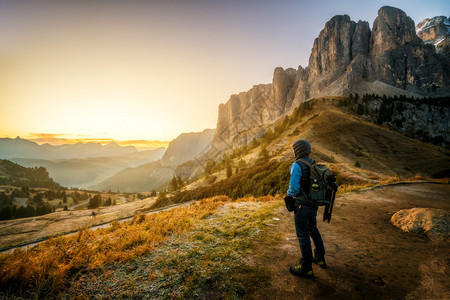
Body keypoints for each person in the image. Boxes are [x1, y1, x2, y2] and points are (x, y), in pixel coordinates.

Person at [286, 140, 327, 279]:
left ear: (297, 151)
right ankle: (320, 258)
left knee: (303, 235)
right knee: (313, 230)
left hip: (302, 205)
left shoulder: (297, 165)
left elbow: (294, 188)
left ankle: (306, 267)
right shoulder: (312, 163)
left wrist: (289, 195)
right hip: (313, 204)